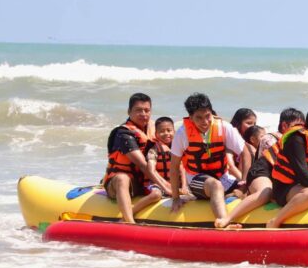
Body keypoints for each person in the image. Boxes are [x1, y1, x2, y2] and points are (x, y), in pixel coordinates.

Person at [214, 108, 305, 228]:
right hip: (262, 172)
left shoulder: (299, 141)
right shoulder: (270, 139)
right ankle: (227, 218)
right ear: (284, 125)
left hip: (279, 178)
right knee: (266, 192)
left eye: (303, 127)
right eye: (297, 126)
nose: (301, 130)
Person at [169, 93, 245, 228]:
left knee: (253, 185)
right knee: (215, 185)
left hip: (223, 177)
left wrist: (245, 181)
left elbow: (246, 153)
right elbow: (174, 167)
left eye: (207, 116)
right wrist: (175, 198)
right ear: (190, 117)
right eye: (199, 118)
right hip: (197, 180)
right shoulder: (182, 134)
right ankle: (224, 223)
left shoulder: (224, 127)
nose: (205, 122)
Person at [102, 93, 170, 223]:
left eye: (147, 110)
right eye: (138, 110)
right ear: (129, 111)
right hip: (118, 184)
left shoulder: (156, 129)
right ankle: (129, 222)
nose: (143, 114)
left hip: (144, 182)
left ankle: (128, 215)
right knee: (122, 178)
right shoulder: (123, 133)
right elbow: (143, 165)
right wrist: (166, 187)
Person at [145, 116, 188, 197]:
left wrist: (184, 186)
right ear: (156, 134)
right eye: (162, 131)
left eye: (169, 130)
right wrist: (166, 189)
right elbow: (151, 170)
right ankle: (133, 206)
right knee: (156, 195)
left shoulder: (179, 148)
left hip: (175, 186)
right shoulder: (153, 150)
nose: (166, 133)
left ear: (174, 132)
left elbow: (182, 169)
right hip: (158, 185)